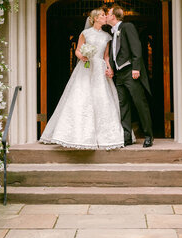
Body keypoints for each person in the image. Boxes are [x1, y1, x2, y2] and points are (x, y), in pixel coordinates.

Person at [40, 8, 124, 149]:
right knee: (82, 97)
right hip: (86, 67)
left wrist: (109, 68)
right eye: (103, 15)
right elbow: (78, 50)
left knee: (102, 98)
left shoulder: (106, 36)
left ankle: (105, 136)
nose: (105, 17)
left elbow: (106, 56)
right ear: (95, 18)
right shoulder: (85, 33)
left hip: (100, 68)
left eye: (105, 15)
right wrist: (82, 56)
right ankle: (77, 135)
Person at [106, 5, 154, 148]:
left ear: (114, 16)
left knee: (140, 103)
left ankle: (148, 136)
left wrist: (136, 68)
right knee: (123, 105)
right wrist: (112, 69)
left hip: (130, 72)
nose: (107, 15)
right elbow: (115, 53)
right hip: (119, 75)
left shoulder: (127, 27)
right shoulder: (114, 33)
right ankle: (126, 136)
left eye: (108, 13)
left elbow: (136, 47)